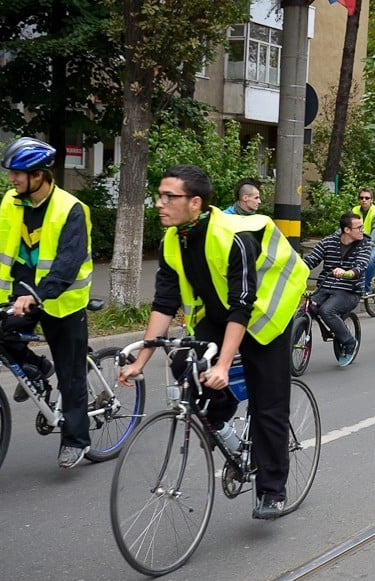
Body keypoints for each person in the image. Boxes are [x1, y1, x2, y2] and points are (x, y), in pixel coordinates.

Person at [118, 164, 308, 520]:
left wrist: (223, 365)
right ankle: (220, 420)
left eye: (168, 197)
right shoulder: (174, 240)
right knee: (181, 363)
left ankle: (272, 489)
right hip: (220, 314)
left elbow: (243, 305)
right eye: (159, 195)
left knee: (267, 402)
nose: (159, 203)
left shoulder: (231, 237)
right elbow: (164, 302)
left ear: (195, 202)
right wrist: (140, 361)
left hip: (266, 313)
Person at [0, 137, 94, 469]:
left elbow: (67, 264)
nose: (11, 179)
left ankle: (76, 439)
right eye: (11, 174)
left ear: (39, 175)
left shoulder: (70, 209)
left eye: (17, 174)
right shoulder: (10, 202)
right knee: (2, 340)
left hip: (61, 301)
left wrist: (38, 295)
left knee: (71, 376)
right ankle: (39, 369)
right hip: (18, 296)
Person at [301, 213, 371, 365]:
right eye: (359, 227)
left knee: (327, 310)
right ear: (346, 229)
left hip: (349, 291)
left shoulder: (364, 244)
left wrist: (346, 273)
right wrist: (293, 268)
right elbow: (311, 260)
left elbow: (360, 266)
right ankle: (292, 345)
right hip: (325, 287)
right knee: (304, 310)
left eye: (362, 227)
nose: (362, 230)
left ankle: (349, 342)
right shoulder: (328, 242)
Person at [352, 187, 375, 295]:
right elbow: (348, 225)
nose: (364, 200)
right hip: (361, 241)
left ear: (372, 200)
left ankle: (365, 289)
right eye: (361, 197)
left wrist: (369, 245)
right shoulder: (355, 210)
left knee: (369, 259)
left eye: (367, 198)